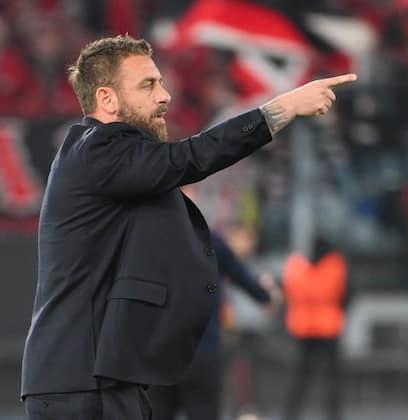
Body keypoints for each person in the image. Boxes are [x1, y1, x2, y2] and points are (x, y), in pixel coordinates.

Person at [20, 34, 356, 420]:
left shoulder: (112, 166)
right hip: (81, 382)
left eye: (161, 83)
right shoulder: (98, 150)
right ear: (107, 99)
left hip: (102, 377)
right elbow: (192, 157)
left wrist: (250, 287)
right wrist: (282, 108)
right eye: (147, 85)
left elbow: (185, 242)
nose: (164, 96)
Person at [148, 230, 281, 420]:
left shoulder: (153, 240)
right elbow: (243, 278)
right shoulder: (212, 241)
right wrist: (267, 295)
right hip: (203, 349)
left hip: (162, 352)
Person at [282, 237, 348, 420]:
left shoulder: (296, 268)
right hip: (329, 328)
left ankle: (290, 414)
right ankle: (334, 415)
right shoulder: (335, 266)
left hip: (304, 329)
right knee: (332, 378)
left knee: (301, 377)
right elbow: (345, 294)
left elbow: (288, 292)